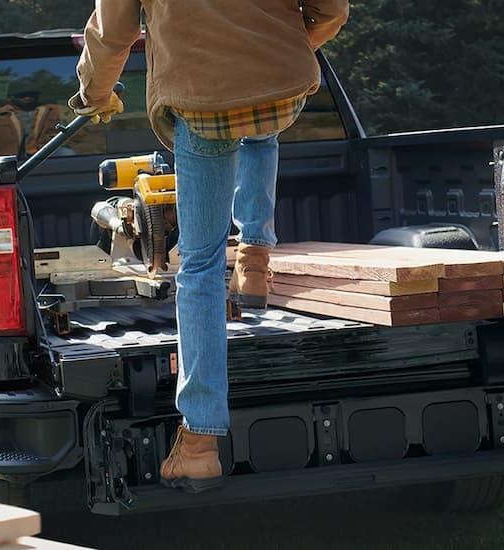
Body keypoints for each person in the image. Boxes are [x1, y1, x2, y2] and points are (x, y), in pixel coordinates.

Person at [72, 0, 348, 493]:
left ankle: (199, 440)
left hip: (200, 98)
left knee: (199, 267)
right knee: (260, 119)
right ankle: (256, 256)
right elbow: (331, 8)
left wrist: (94, 94)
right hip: (279, 81)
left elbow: (113, 29)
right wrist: (283, 46)